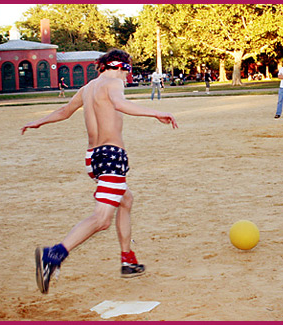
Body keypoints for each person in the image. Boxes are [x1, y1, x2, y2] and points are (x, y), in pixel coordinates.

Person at [21, 49, 178, 294]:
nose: (128, 77)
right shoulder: (113, 82)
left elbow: (65, 111)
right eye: (129, 71)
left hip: (92, 158)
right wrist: (157, 112)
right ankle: (53, 255)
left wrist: (39, 121)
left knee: (125, 199)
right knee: (102, 219)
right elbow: (119, 103)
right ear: (122, 67)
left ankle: (127, 260)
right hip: (111, 156)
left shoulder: (89, 87)